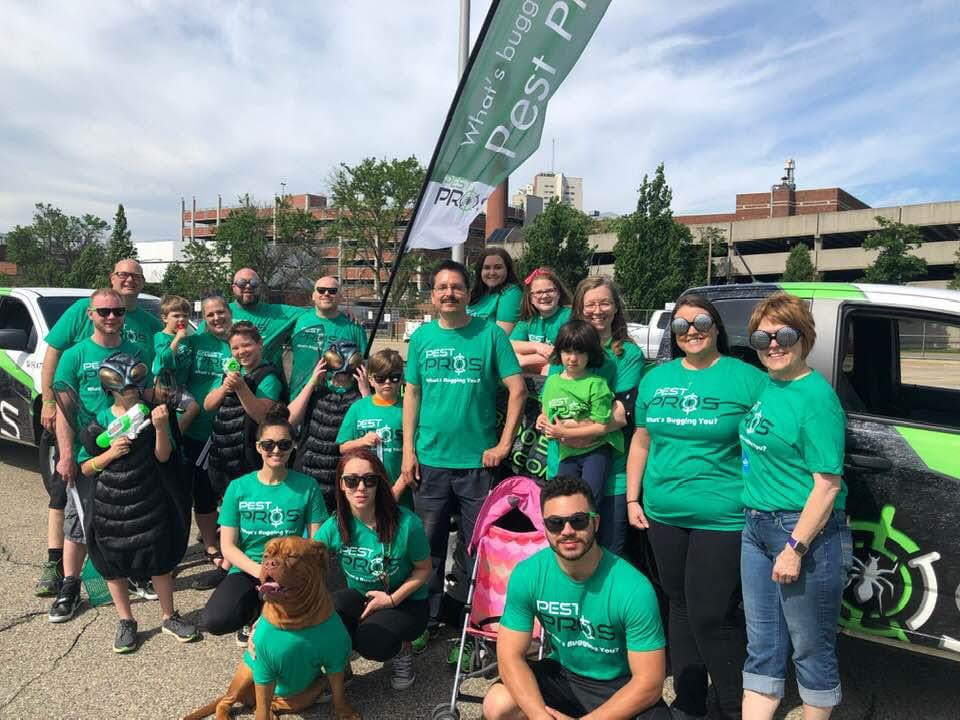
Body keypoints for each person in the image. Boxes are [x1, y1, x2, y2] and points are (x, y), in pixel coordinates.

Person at [627, 294, 767, 720]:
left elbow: (767, 445)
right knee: (680, 605)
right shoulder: (655, 378)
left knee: (711, 613)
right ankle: (688, 699)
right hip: (663, 512)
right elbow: (642, 440)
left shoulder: (748, 379)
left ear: (717, 326)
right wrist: (633, 497)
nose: (692, 330)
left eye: (701, 320)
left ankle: (730, 703)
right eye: (681, 324)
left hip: (722, 516)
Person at [738, 292, 852, 720]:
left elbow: (826, 484)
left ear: (804, 337)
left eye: (784, 333)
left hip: (805, 534)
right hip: (755, 528)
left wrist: (795, 547)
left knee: (811, 647)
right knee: (762, 646)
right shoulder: (768, 384)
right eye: (762, 336)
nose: (773, 343)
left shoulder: (816, 399)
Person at [402, 260, 526, 637]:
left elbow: (518, 389)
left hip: (477, 463)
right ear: (432, 294)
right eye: (442, 287)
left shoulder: (490, 335)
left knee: (477, 549)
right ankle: (429, 619)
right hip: (430, 460)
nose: (449, 293)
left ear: (467, 293)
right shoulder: (422, 338)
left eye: (456, 287)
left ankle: (471, 624)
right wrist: (408, 450)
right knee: (429, 548)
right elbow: (412, 393)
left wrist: (503, 444)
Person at [482, 476, 671, 720]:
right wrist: (538, 715)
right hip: (566, 675)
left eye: (578, 521)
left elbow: (649, 684)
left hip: (621, 684)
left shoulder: (633, 588)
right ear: (545, 527)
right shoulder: (528, 574)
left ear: (596, 523)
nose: (567, 531)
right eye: (555, 523)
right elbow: (509, 657)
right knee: (498, 704)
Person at [36, 259, 162, 599]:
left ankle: (134, 574)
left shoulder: (135, 352)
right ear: (90, 314)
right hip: (85, 450)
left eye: (116, 313)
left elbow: (147, 396)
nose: (111, 317)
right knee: (79, 522)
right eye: (103, 312)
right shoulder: (74, 354)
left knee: (128, 517)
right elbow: (65, 409)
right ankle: (70, 585)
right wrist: (65, 455)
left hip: (129, 451)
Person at [74, 352, 199, 653]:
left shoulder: (153, 412)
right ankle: (125, 620)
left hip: (147, 497)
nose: (130, 392)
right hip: (109, 504)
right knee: (113, 560)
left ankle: (169, 616)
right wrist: (109, 453)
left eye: (133, 387)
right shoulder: (99, 421)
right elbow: (85, 467)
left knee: (157, 557)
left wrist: (159, 427)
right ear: (110, 390)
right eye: (123, 388)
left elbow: (164, 456)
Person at [202, 407, 328, 645]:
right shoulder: (239, 488)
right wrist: (260, 572)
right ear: (258, 446)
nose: (276, 450)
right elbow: (228, 547)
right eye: (268, 444)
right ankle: (253, 613)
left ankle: (267, 617)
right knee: (215, 620)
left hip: (291, 570)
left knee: (287, 638)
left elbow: (315, 543)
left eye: (284, 444)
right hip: (250, 567)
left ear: (293, 446)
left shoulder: (307, 486)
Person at [538, 276, 642, 554]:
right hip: (561, 461)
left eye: (605, 303)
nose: (598, 310)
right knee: (566, 554)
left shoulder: (626, 354)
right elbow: (551, 399)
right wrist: (544, 418)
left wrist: (568, 430)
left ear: (616, 307)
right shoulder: (565, 351)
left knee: (607, 553)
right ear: (579, 309)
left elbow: (619, 416)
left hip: (610, 474)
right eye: (590, 304)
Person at [315, 449, 431, 691]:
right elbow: (304, 567)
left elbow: (423, 570)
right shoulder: (334, 525)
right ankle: (341, 664)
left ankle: (401, 651)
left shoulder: (407, 524)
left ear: (379, 483)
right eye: (352, 480)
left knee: (369, 642)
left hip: (405, 600)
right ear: (341, 485)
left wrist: (390, 599)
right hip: (362, 595)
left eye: (369, 480)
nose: (361, 487)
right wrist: (264, 622)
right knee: (324, 614)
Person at [179, 294, 234, 589]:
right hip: (195, 430)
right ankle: (208, 545)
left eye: (220, 312)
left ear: (229, 312)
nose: (216, 318)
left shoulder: (237, 343)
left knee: (221, 492)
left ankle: (218, 542)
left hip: (228, 431)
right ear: (204, 317)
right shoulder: (194, 342)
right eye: (210, 314)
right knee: (197, 491)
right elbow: (176, 377)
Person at [540, 320, 622, 508]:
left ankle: (592, 535)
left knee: (590, 501)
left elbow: (601, 426)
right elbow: (546, 413)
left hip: (594, 451)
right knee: (564, 501)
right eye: (567, 352)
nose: (573, 358)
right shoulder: (552, 382)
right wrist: (542, 420)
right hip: (566, 454)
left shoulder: (597, 384)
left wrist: (565, 433)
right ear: (559, 352)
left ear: (590, 354)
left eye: (580, 352)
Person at [204, 321, 286, 499]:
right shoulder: (230, 372)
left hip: (249, 460)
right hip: (222, 457)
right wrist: (225, 388)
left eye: (247, 345)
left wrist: (241, 387)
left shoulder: (268, 377)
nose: (241, 352)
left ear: (259, 343)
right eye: (235, 348)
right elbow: (208, 405)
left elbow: (261, 416)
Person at [289, 339, 368, 511]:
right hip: (309, 476)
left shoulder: (361, 398)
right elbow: (289, 420)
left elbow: (372, 429)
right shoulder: (316, 393)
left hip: (345, 482)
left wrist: (366, 393)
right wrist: (312, 382)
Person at [336, 349, 411, 509]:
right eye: (380, 378)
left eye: (394, 377)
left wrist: (397, 489)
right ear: (370, 380)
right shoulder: (358, 408)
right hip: (364, 490)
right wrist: (362, 441)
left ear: (402, 379)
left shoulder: (408, 407)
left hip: (400, 490)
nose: (387, 383)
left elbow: (414, 453)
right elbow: (343, 447)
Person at [289, 275, 368, 400]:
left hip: (336, 399)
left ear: (340, 297)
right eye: (321, 290)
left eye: (332, 291)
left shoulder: (354, 326)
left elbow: (363, 365)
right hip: (298, 394)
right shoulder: (297, 320)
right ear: (313, 295)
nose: (326, 294)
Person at [224, 268, 304, 371]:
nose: (248, 286)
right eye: (242, 282)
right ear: (233, 287)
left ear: (260, 287)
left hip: (267, 381)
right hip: (229, 380)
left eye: (253, 283)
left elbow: (314, 312)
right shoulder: (221, 314)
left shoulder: (279, 313)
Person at [510, 267, 572, 373]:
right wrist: (537, 347)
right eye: (538, 292)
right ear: (530, 298)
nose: (544, 296)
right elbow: (511, 344)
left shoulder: (568, 316)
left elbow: (568, 353)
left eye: (550, 290)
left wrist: (524, 360)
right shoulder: (528, 319)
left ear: (559, 293)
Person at [152, 294, 200, 433]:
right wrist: (177, 339)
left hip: (182, 385)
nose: (182, 319)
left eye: (185, 316)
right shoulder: (161, 337)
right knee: (193, 408)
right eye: (176, 316)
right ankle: (173, 438)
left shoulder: (187, 338)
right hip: (168, 386)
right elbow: (164, 360)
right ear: (165, 318)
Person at [467, 247, 523, 335]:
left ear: (507, 269)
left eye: (498, 267)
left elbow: (502, 335)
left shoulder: (511, 293)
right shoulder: (477, 293)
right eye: (486, 268)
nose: (492, 272)